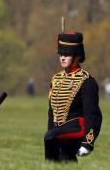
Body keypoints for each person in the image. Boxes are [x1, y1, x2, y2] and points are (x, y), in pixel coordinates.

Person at [44, 31, 102, 162]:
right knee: (64, 158)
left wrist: (88, 142)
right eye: (61, 54)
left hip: (79, 128)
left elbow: (92, 114)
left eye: (67, 54)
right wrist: (51, 130)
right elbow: (51, 112)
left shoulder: (87, 81)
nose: (62, 58)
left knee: (51, 137)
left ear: (77, 56)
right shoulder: (56, 79)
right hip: (59, 130)